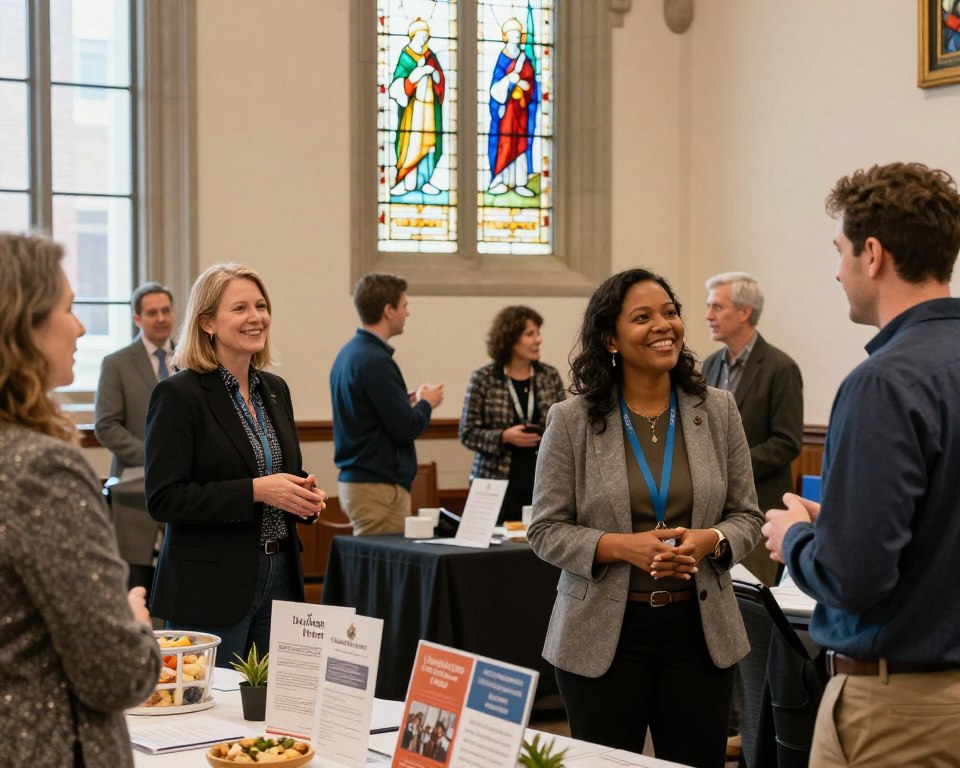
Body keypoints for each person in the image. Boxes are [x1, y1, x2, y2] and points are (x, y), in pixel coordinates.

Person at [762, 162, 960, 766]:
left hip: (901, 711)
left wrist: (796, 537)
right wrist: (843, 523)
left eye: (841, 251)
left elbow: (854, 578)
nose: (838, 271)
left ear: (872, 254)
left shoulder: (884, 383)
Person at [528, 268, 762, 768]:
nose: (664, 325)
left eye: (670, 312)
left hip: (700, 634)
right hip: (603, 636)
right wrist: (620, 546)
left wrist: (711, 541)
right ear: (610, 338)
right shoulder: (571, 420)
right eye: (643, 317)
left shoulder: (717, 410)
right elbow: (544, 529)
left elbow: (747, 515)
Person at [0, 233, 161, 768]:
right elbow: (115, 673)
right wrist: (133, 620)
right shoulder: (40, 469)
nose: (81, 327)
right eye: (69, 308)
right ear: (25, 326)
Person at [145, 263, 326, 665]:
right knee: (210, 712)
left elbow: (280, 474)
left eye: (261, 306)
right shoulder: (179, 395)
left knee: (274, 709)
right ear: (207, 322)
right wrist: (258, 490)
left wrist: (302, 497)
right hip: (212, 583)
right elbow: (165, 499)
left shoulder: (274, 390)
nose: (256, 317)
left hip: (280, 572)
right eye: (240, 308)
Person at [702, 272, 802, 586]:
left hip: (759, 510)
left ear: (745, 312)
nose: (708, 316)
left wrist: (733, 468)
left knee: (754, 609)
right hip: (713, 513)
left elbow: (787, 442)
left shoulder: (780, 368)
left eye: (717, 307)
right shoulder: (708, 366)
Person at [330, 273, 443, 535]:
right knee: (381, 573)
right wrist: (426, 403)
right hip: (377, 487)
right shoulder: (376, 361)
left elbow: (367, 412)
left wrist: (404, 402)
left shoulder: (350, 353)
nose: (408, 313)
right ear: (388, 311)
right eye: (404, 305)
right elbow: (405, 429)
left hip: (362, 481)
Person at [94, 281, 175, 590]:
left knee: (176, 575)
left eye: (166, 310)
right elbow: (106, 425)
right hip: (133, 490)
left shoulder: (191, 357)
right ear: (137, 318)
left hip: (184, 489)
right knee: (135, 582)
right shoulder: (117, 363)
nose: (160, 318)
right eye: (152, 312)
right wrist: (155, 459)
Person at [459, 305, 565, 523]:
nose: (538, 340)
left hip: (542, 481)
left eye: (538, 333)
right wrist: (504, 437)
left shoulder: (549, 376)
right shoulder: (484, 378)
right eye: (530, 334)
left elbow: (565, 427)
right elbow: (467, 432)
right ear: (510, 338)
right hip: (496, 483)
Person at [389, 17, 445, 197]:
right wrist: (417, 74)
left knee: (429, 144)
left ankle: (425, 180)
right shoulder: (406, 56)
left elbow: (440, 80)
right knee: (411, 144)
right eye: (421, 35)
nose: (424, 38)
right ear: (413, 35)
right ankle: (407, 182)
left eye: (426, 35)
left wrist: (433, 73)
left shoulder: (430, 56)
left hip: (429, 109)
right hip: (412, 113)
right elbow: (397, 85)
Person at [487, 17, 539, 197]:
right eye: (512, 34)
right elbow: (494, 87)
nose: (515, 37)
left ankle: (520, 182)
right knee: (505, 143)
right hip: (506, 111)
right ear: (505, 36)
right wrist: (509, 80)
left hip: (521, 109)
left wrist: (524, 86)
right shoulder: (502, 59)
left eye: (518, 34)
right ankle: (499, 180)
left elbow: (531, 84)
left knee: (521, 144)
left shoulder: (525, 60)